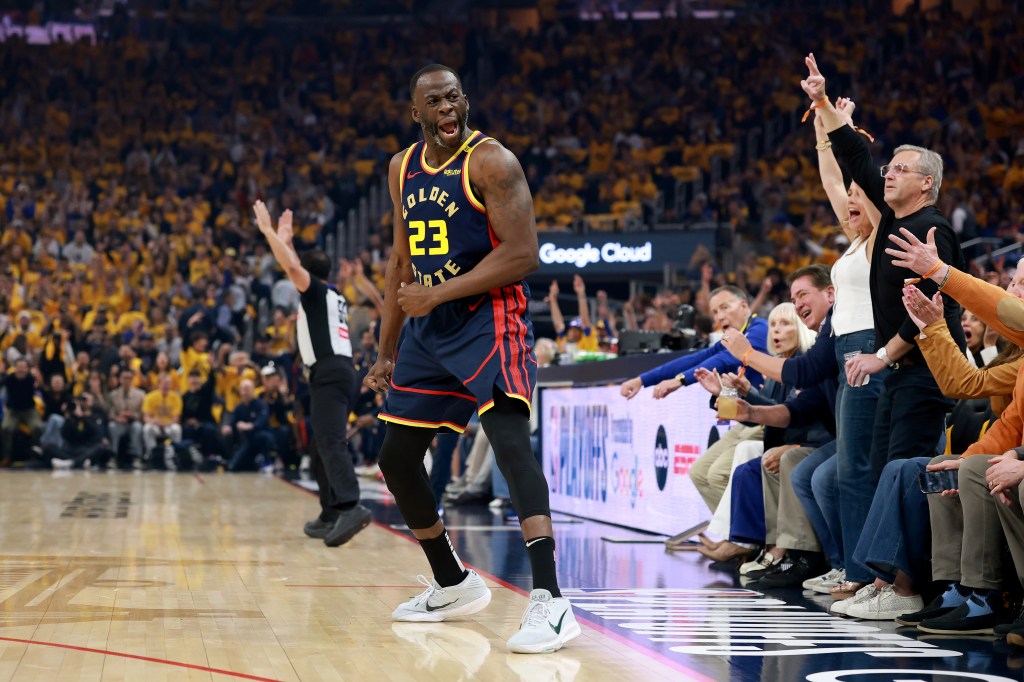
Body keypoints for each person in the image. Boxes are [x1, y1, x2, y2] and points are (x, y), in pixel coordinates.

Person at [362, 64, 578, 654]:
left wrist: (436, 295)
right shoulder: (401, 167)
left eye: (454, 97)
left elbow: (524, 254)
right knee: (396, 459)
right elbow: (402, 260)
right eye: (435, 101)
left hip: (489, 315)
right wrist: (385, 350)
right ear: (417, 112)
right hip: (428, 326)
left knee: (508, 438)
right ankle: (453, 582)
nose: (447, 108)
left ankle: (551, 600)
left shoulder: (491, 162)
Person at [801, 53, 967, 479]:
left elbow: (927, 310)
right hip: (898, 371)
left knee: (900, 475)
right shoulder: (894, 218)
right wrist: (822, 104)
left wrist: (880, 355)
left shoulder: (931, 229)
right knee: (883, 473)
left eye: (900, 169)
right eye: (888, 168)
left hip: (927, 371)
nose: (888, 175)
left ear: (927, 183)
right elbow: (856, 156)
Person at [253, 201, 370, 547]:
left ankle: (350, 506)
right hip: (335, 371)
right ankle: (330, 512)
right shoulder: (330, 293)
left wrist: (269, 232)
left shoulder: (316, 292)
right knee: (320, 445)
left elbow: (291, 266)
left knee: (330, 441)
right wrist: (287, 240)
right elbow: (294, 263)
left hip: (330, 372)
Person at [619, 286, 769, 402]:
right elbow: (695, 359)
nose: (720, 317)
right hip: (750, 415)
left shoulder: (760, 329)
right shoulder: (731, 339)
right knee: (722, 409)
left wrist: (680, 380)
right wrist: (641, 380)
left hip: (767, 416)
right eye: (715, 312)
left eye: (725, 307)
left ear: (744, 307)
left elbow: (725, 359)